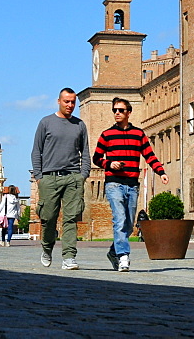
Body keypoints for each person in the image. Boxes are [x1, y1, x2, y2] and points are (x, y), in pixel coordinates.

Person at [92, 97, 168, 272]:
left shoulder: (139, 134)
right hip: (113, 183)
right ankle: (123, 257)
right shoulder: (106, 135)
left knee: (128, 224)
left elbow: (150, 156)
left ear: (128, 112)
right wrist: (109, 164)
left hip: (133, 184)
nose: (117, 113)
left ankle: (113, 251)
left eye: (120, 110)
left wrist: (161, 172)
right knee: (119, 219)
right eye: (114, 110)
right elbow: (97, 158)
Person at [31, 87, 90, 270]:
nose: (70, 105)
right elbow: (36, 151)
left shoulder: (79, 125)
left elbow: (86, 153)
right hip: (49, 178)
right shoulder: (46, 122)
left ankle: (69, 257)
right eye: (66, 101)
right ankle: (47, 248)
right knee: (48, 218)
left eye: (73, 102)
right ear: (59, 101)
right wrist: (39, 177)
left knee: (71, 218)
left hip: (73, 177)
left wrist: (83, 175)